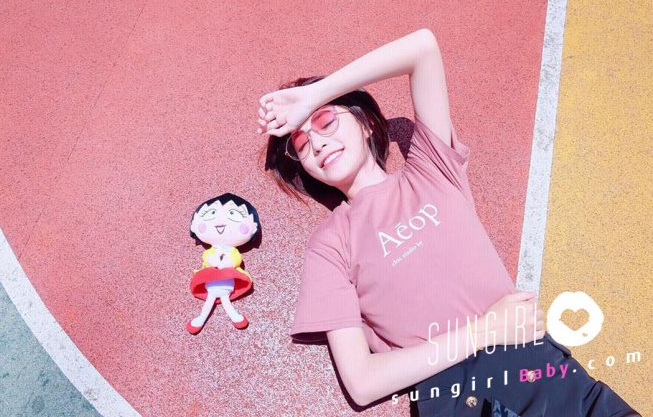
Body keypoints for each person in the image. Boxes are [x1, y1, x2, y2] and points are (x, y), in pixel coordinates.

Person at [256, 28, 640, 416]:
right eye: (301, 144)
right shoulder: (329, 243)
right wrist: (484, 332)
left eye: (325, 121)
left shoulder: (431, 169)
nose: (317, 142)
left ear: (366, 122)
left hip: (542, 370)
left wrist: (312, 96)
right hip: (458, 395)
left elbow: (422, 48)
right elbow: (363, 382)